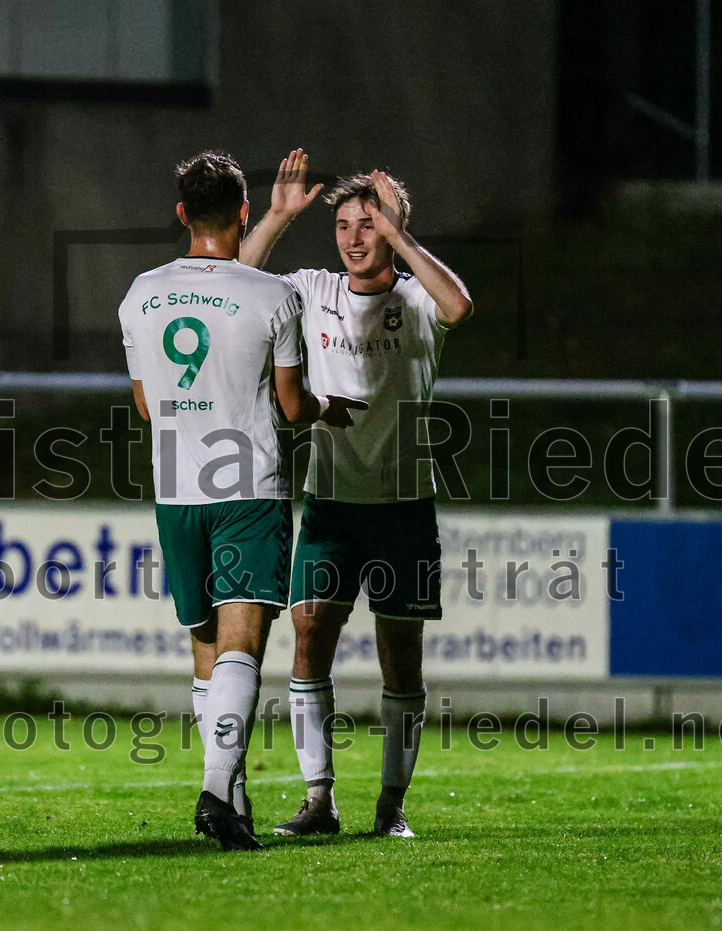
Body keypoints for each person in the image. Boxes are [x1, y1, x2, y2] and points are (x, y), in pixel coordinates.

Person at [118, 150, 366, 851]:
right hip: (248, 488)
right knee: (243, 644)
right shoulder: (272, 298)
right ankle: (213, 787)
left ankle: (229, 794)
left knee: (205, 645)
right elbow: (290, 406)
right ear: (243, 212)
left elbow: (144, 403)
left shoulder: (140, 293)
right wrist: (329, 407)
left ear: (180, 214)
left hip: (176, 488)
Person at [241, 149, 473, 837]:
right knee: (309, 639)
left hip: (404, 506)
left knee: (400, 657)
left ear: (393, 229)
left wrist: (401, 236)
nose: (352, 235)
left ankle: (392, 804)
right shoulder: (313, 288)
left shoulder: (417, 299)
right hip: (331, 504)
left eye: (368, 223)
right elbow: (238, 281)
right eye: (343, 223)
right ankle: (319, 799)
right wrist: (280, 217)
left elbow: (461, 305)